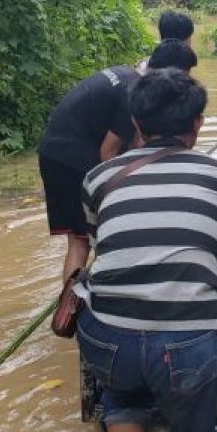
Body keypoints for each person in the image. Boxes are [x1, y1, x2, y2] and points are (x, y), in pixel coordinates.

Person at [75, 69, 217, 432]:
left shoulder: (98, 178)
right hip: (185, 341)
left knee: (121, 396)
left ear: (136, 123)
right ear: (198, 125)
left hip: (107, 333)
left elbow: (102, 248)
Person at [40, 41, 197, 285]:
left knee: (87, 237)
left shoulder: (128, 74)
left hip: (54, 151)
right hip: (69, 159)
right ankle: (70, 310)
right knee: (82, 242)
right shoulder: (132, 94)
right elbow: (108, 154)